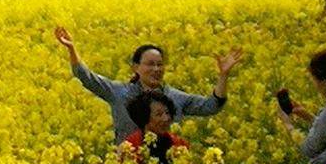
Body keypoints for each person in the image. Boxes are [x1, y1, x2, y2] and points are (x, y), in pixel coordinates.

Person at [53, 28, 242, 143]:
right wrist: (72, 49)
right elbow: (86, 77)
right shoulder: (119, 92)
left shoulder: (174, 97)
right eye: (150, 64)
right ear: (136, 67)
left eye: (160, 64)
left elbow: (212, 106)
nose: (156, 69)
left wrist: (223, 75)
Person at [119, 87, 188, 164]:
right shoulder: (130, 147)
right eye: (159, 114)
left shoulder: (179, 144)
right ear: (144, 117)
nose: (166, 118)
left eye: (167, 113)